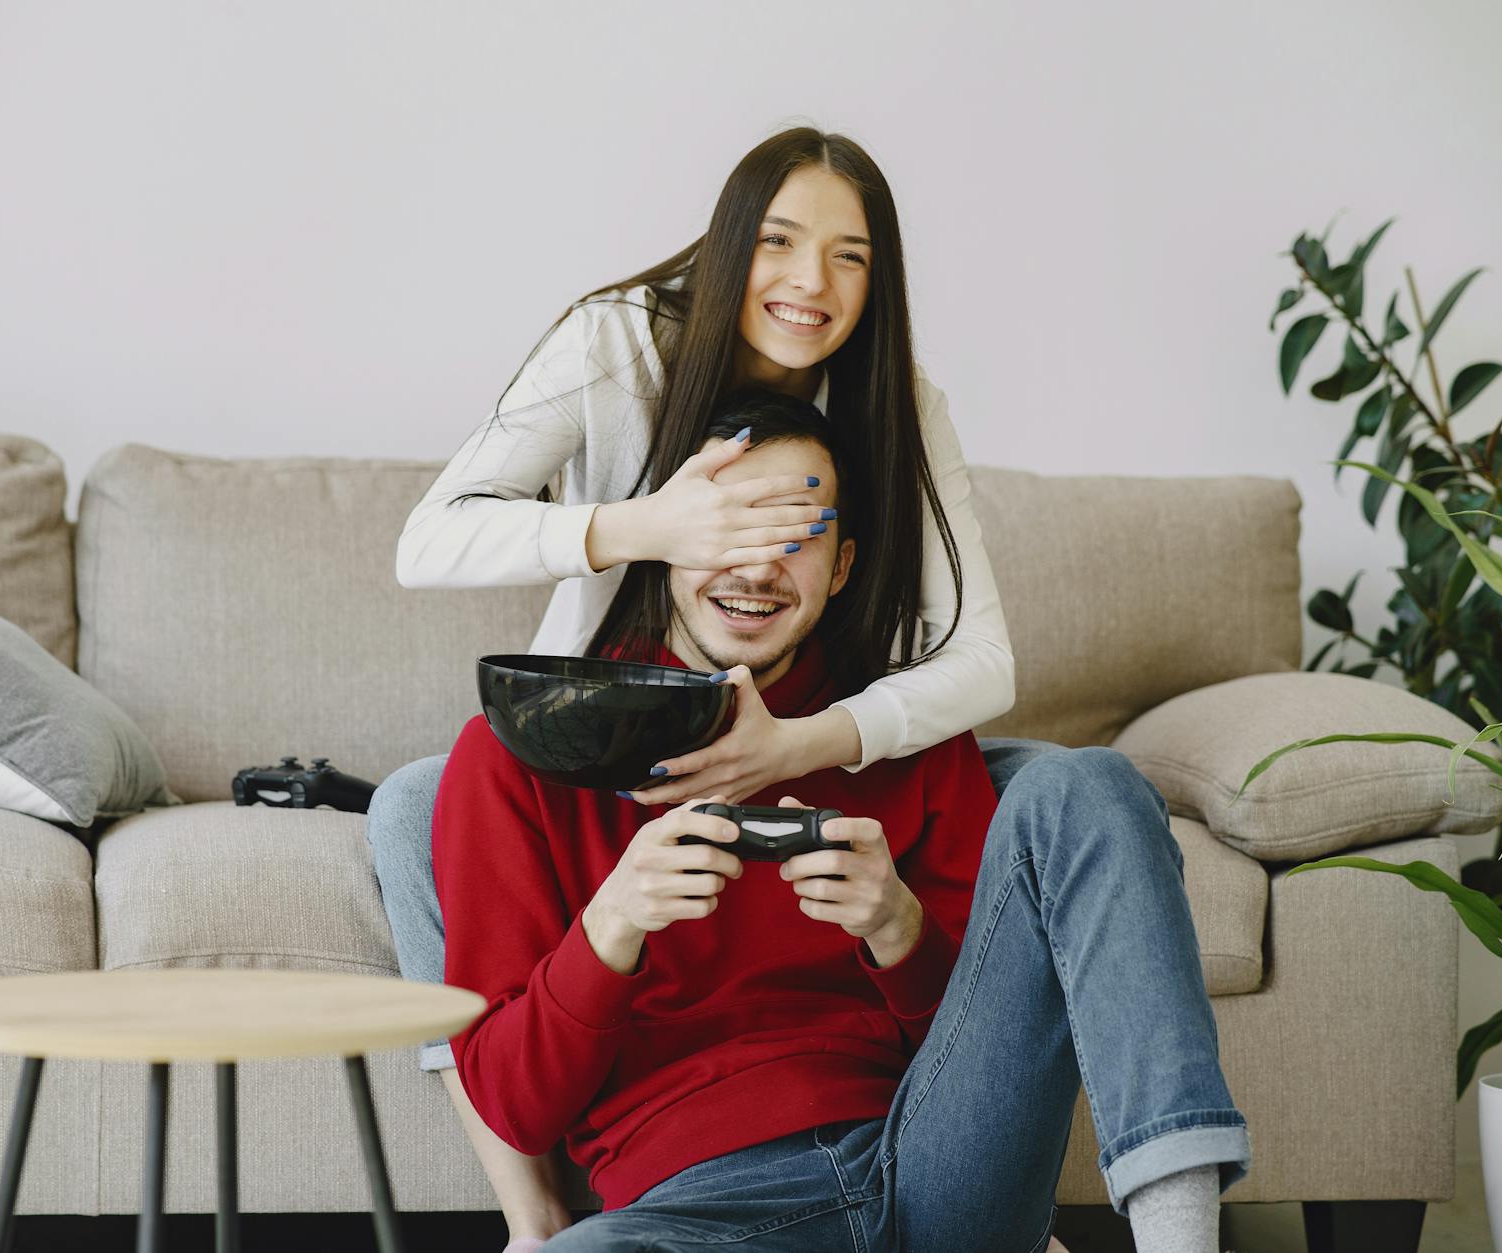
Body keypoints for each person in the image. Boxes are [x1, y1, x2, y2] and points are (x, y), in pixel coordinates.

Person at [370, 124, 1037, 1247]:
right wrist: (651, 523)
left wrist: (807, 755)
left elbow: (983, 665)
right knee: (411, 799)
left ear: (842, 560)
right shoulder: (620, 347)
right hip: (622, 719)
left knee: (1068, 794)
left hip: (832, 743)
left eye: (849, 255)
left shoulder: (894, 400)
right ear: (732, 246)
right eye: (779, 240)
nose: (809, 282)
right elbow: (428, 540)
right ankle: (529, 1213)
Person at [433, 395, 1251, 1253]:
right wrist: (613, 923)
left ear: (843, 564)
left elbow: (1009, 1046)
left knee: (1088, 782)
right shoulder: (515, 758)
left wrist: (898, 927)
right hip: (688, 1216)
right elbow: (517, 1107)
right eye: (733, 528)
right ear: (665, 536)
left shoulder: (906, 731)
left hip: (930, 1170)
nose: (757, 569)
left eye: (797, 537)